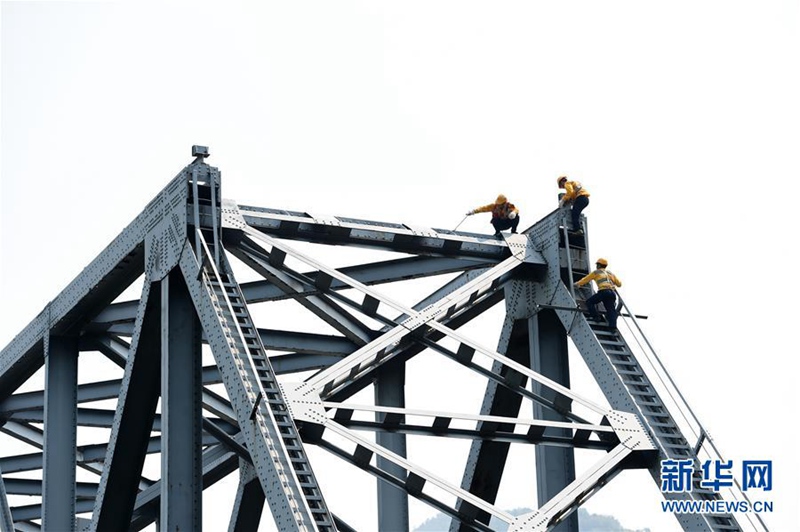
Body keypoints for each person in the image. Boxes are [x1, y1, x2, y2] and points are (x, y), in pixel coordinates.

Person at [574, 258, 622, 328]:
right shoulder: (610, 273)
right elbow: (619, 284)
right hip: (612, 293)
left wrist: (577, 284)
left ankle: (596, 317)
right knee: (611, 310)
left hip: (603, 292)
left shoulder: (596, 272)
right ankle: (613, 327)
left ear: (599, 265)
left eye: (597, 264)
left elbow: (586, 279)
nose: (596, 266)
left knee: (589, 302)